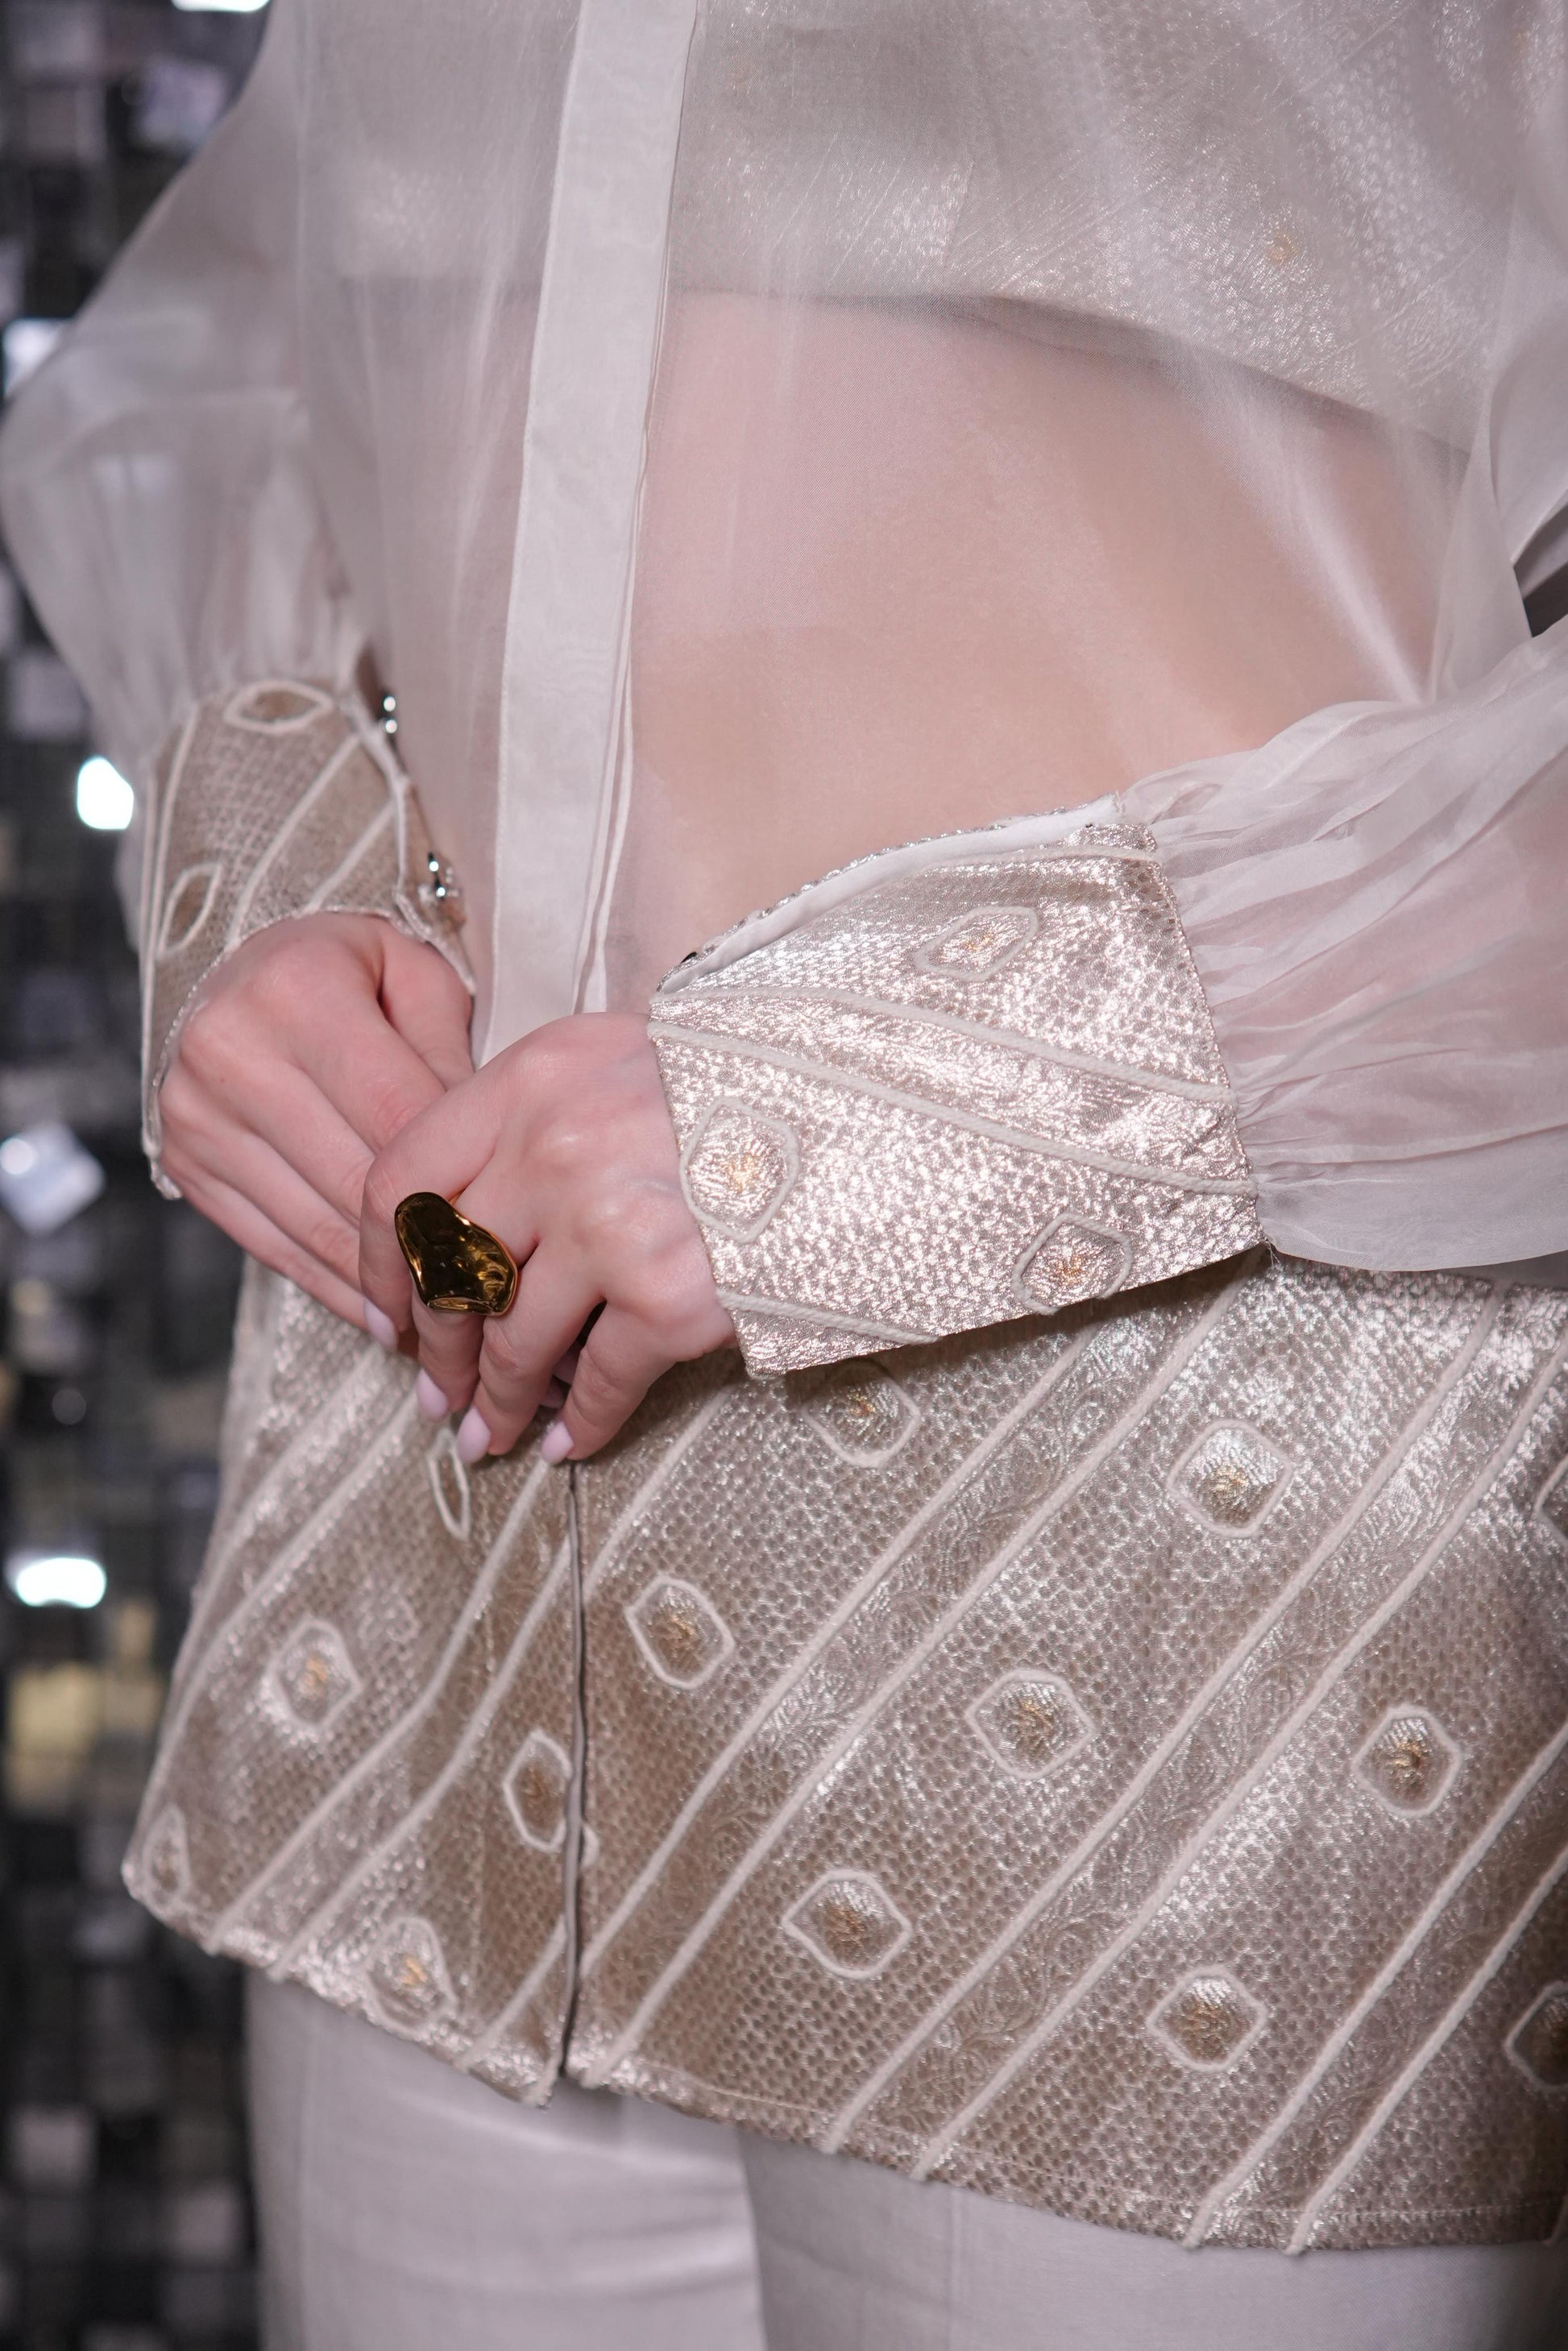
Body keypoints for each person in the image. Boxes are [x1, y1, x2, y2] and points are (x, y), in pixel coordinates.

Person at [5, 3, 1568, 2345]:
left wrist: (873, 1107)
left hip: (1183, 1577)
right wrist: (263, 845)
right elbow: (268, 309)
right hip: (449, 1489)